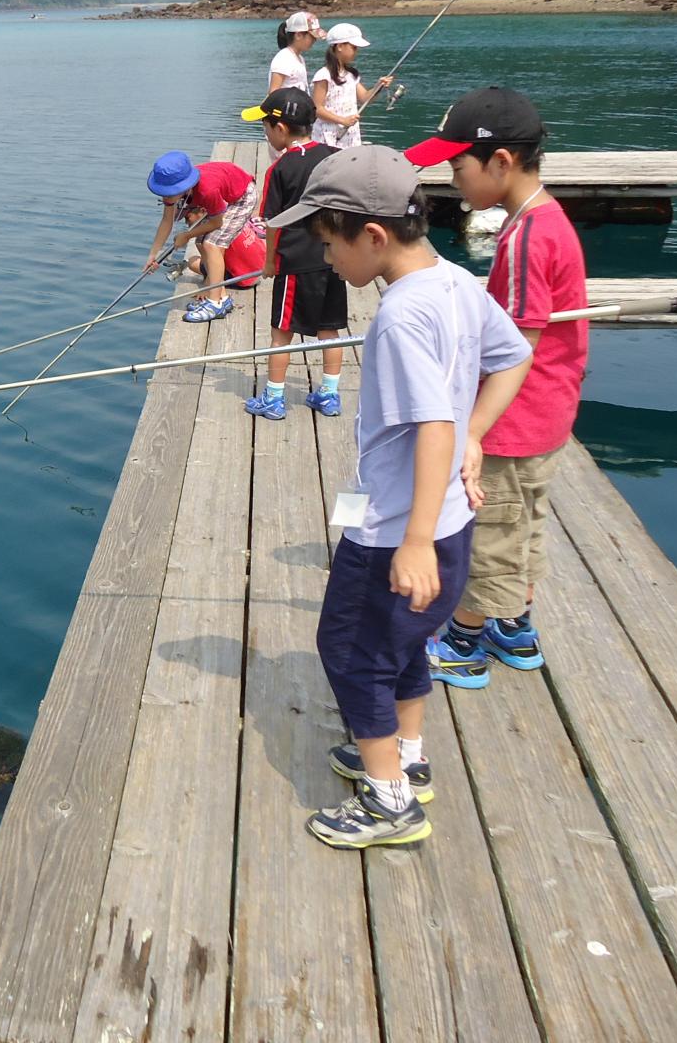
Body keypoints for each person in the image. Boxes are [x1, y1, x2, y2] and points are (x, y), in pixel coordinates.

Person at [262, 144, 532, 848]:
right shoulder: (455, 282)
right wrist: (477, 436)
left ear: (372, 236)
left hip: (395, 531)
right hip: (447, 523)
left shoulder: (401, 315)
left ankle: (389, 805)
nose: (324, 260)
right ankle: (404, 759)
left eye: (328, 243)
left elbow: (431, 425)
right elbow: (513, 358)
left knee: (350, 651)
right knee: (402, 644)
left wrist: (411, 541)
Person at [405, 88, 589, 689]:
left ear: (501, 162)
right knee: (524, 525)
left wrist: (473, 430)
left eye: (457, 167)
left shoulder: (527, 239)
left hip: (514, 422)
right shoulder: (543, 221)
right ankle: (516, 628)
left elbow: (517, 349)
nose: (452, 180)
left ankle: (463, 644)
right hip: (549, 415)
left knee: (490, 534)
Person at [239, 88, 345, 419]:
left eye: (266, 127)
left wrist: (270, 262)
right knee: (330, 329)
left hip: (295, 263)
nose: (266, 133)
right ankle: (329, 395)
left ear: (280, 128)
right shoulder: (333, 155)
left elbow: (272, 222)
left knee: (281, 333)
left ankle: (273, 398)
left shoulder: (281, 168)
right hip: (334, 260)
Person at [144, 150, 264, 323]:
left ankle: (215, 302)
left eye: (170, 192)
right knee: (201, 242)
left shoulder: (207, 190)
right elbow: (166, 221)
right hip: (224, 193)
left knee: (212, 244)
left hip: (242, 196)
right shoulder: (171, 194)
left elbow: (217, 224)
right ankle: (220, 295)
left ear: (185, 186)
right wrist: (153, 254)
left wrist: (187, 235)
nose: (166, 197)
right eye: (163, 192)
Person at [311, 24, 394, 147]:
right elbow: (317, 109)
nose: (356, 51)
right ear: (339, 46)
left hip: (349, 136)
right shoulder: (323, 75)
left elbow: (365, 98)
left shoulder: (351, 75)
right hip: (327, 137)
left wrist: (378, 86)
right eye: (354, 47)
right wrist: (342, 120)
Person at [268, 12, 322, 95]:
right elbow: (273, 92)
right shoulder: (284, 58)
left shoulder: (299, 58)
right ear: (298, 35)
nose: (315, 40)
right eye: (312, 37)